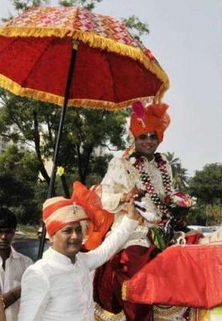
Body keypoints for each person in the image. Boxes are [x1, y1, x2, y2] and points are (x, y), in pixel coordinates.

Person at [94, 102, 193, 320]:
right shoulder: (120, 163)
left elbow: (166, 195)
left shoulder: (163, 164)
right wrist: (125, 197)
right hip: (132, 230)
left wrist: (178, 205)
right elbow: (103, 198)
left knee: (197, 246)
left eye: (153, 136)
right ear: (134, 138)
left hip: (164, 229)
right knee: (136, 272)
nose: (148, 141)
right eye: (143, 136)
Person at [17, 186, 141, 321]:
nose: (75, 236)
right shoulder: (40, 273)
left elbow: (107, 249)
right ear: (52, 236)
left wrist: (130, 219)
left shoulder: (82, 262)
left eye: (78, 230)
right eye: (67, 231)